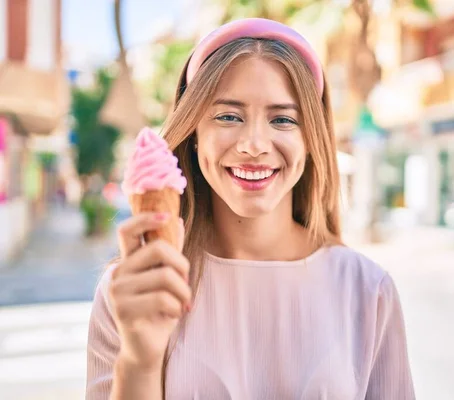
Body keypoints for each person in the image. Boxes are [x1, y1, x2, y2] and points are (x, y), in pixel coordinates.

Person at [86, 18, 415, 400]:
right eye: (228, 116)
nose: (254, 144)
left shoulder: (368, 290)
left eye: (282, 119)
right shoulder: (132, 292)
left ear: (311, 139)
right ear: (193, 133)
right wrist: (139, 361)